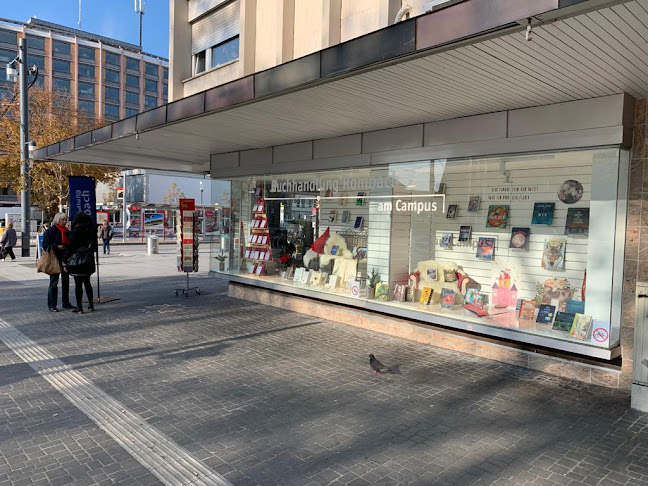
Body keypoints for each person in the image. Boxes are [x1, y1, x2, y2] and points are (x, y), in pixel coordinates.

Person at [63, 212, 97, 314]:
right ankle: (91, 304)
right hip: (88, 259)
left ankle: (79, 307)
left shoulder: (76, 230)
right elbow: (94, 245)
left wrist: (65, 260)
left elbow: (71, 246)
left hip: (77, 260)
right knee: (87, 282)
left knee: (78, 284)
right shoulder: (91, 230)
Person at [42, 213, 73, 312]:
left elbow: (71, 243)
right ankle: (52, 305)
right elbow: (45, 245)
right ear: (57, 220)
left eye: (65, 220)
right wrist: (56, 246)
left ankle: (66, 302)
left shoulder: (67, 231)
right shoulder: (51, 231)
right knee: (54, 282)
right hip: (54, 258)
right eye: (62, 220)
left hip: (65, 258)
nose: (64, 222)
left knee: (66, 282)